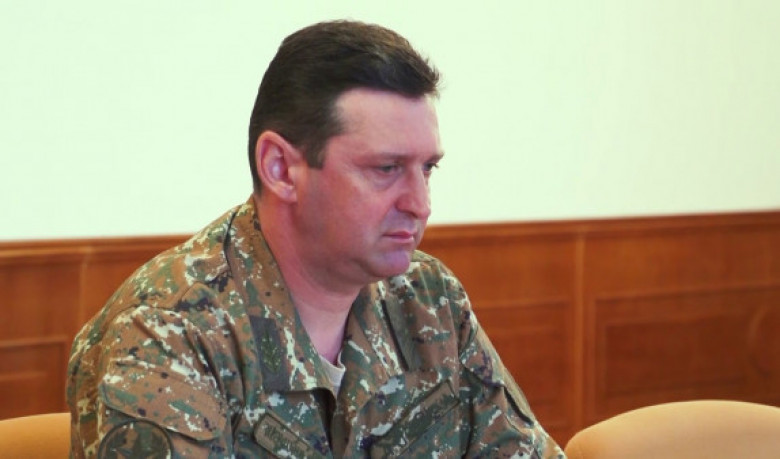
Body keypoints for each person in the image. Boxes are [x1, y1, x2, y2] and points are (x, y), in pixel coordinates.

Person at [67, 20, 564, 457]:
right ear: (281, 169)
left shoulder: (429, 299)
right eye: (386, 169)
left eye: (427, 169)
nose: (421, 204)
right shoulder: (169, 331)